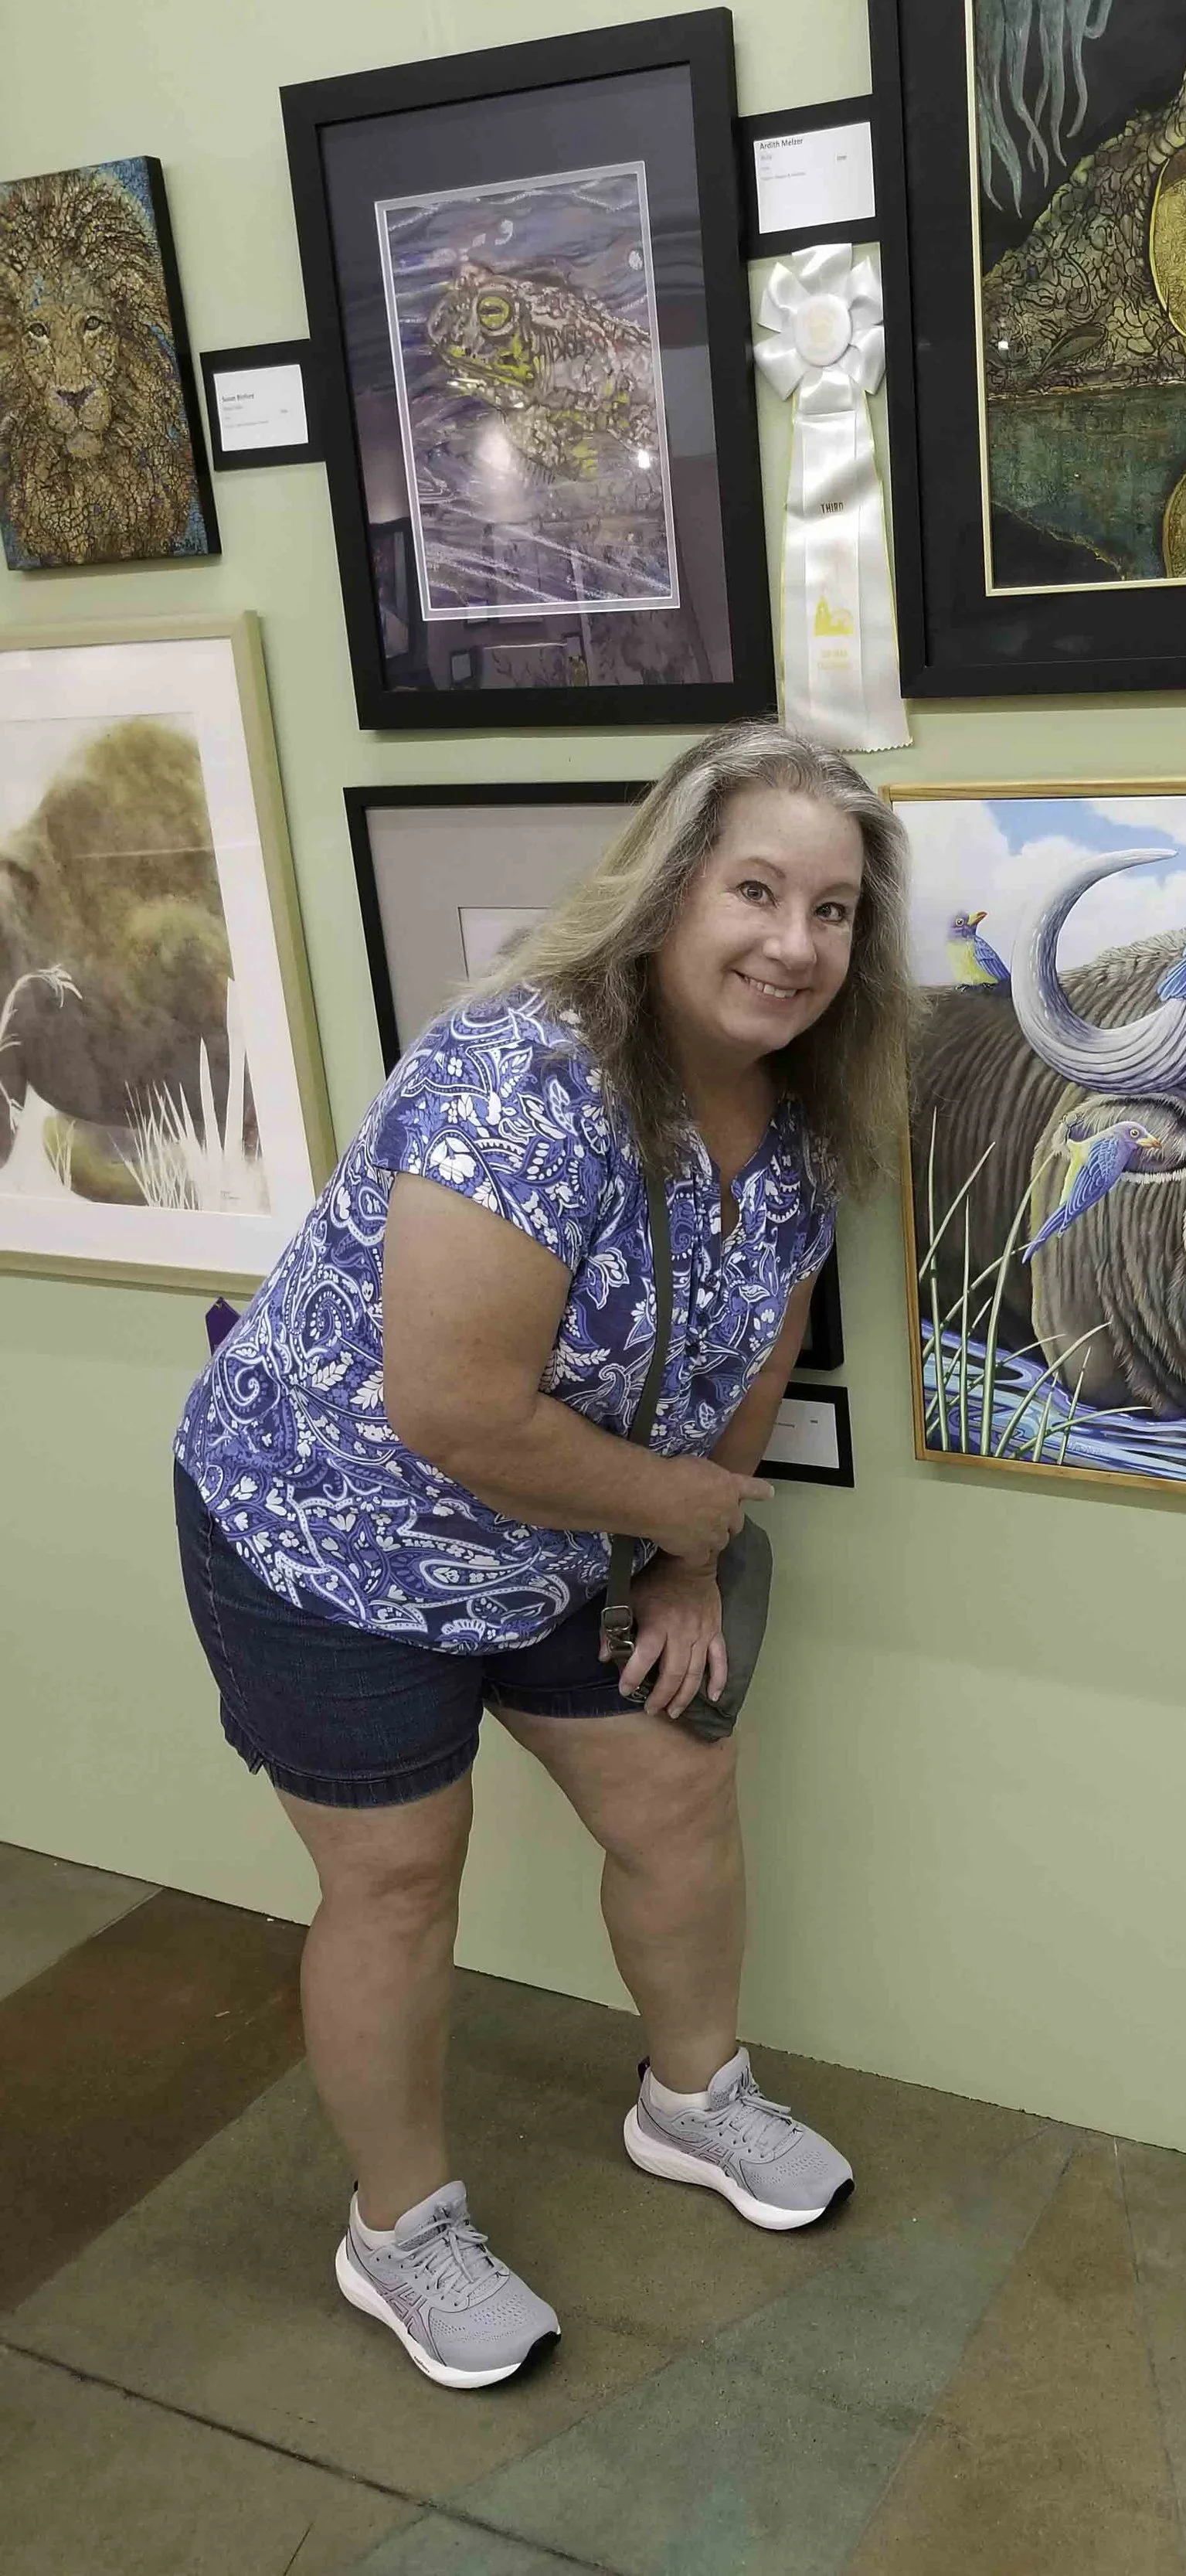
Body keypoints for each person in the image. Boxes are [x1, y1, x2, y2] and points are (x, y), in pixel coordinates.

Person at [172, 723, 915, 2389]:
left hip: (562, 1546)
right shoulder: (518, 1077)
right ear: (666, 891)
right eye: (755, 890)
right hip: (328, 1540)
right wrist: (674, 1518)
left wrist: (673, 1564)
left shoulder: (800, 1116)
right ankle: (398, 2227)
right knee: (397, 1876)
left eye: (834, 910)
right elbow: (451, 1408)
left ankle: (691, 2098)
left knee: (672, 1794)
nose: (795, 945)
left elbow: (757, 1337)